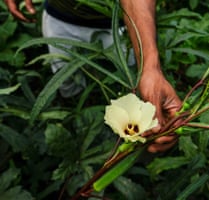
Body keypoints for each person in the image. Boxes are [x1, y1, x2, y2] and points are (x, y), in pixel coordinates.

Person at [4, 0, 182, 153]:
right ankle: (74, 115)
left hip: (120, 22)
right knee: (67, 82)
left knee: (132, 86)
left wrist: (150, 67)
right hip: (59, 16)